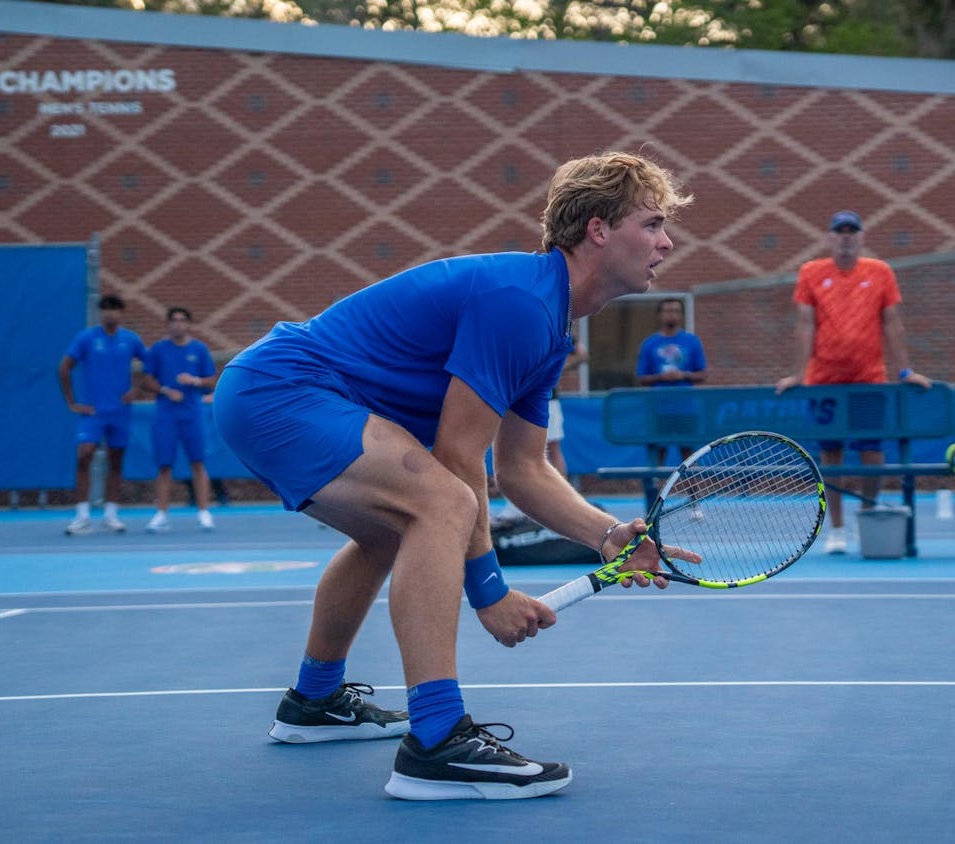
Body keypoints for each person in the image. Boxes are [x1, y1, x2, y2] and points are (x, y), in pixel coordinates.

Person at [212, 152, 696, 801]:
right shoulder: (521, 303)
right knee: (442, 502)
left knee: (396, 533)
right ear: (600, 230)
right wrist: (489, 591)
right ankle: (437, 742)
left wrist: (608, 535)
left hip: (275, 392)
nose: (667, 241)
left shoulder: (548, 326)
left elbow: (524, 470)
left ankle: (315, 701)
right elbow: (461, 458)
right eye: (653, 223)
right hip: (284, 388)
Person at [775, 210, 932, 554]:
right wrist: (799, 375)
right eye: (839, 231)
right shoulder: (811, 272)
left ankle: (866, 514)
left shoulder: (880, 272)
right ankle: (837, 528)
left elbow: (892, 324)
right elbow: (805, 324)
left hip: (868, 381)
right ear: (830, 237)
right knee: (831, 455)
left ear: (861, 237)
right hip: (824, 382)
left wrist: (905, 371)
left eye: (852, 231)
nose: (846, 236)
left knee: (872, 454)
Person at [58, 295, 148, 535]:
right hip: (93, 412)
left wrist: (136, 389)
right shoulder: (87, 338)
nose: (111, 314)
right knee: (84, 454)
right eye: (106, 309)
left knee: (116, 460)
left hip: (120, 412)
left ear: (121, 313)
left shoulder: (129, 340)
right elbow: (65, 366)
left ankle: (111, 514)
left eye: (115, 310)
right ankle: (82, 515)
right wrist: (72, 402)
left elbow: (150, 365)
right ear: (101, 313)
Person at [142, 307, 219, 533]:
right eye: (173, 321)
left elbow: (211, 379)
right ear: (168, 324)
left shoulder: (199, 349)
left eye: (182, 320)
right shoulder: (158, 349)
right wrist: (166, 390)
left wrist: (194, 381)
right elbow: (147, 381)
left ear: (188, 324)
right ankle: (161, 513)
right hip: (166, 415)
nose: (178, 324)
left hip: (192, 414)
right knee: (164, 465)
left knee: (198, 463)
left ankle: (204, 512)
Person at [635, 298, 708, 468]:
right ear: (659, 315)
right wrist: (661, 378)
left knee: (688, 455)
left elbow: (703, 374)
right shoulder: (649, 344)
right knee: (658, 455)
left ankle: (695, 494)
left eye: (676, 311)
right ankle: (656, 494)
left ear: (681, 315)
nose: (672, 315)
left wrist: (683, 375)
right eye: (667, 311)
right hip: (658, 409)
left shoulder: (692, 342)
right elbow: (641, 378)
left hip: (685, 409)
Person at [545, 342, 588, 481]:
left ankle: (560, 492)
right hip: (520, 399)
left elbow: (582, 353)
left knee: (552, 449)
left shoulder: (555, 324)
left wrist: (556, 369)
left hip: (547, 398)